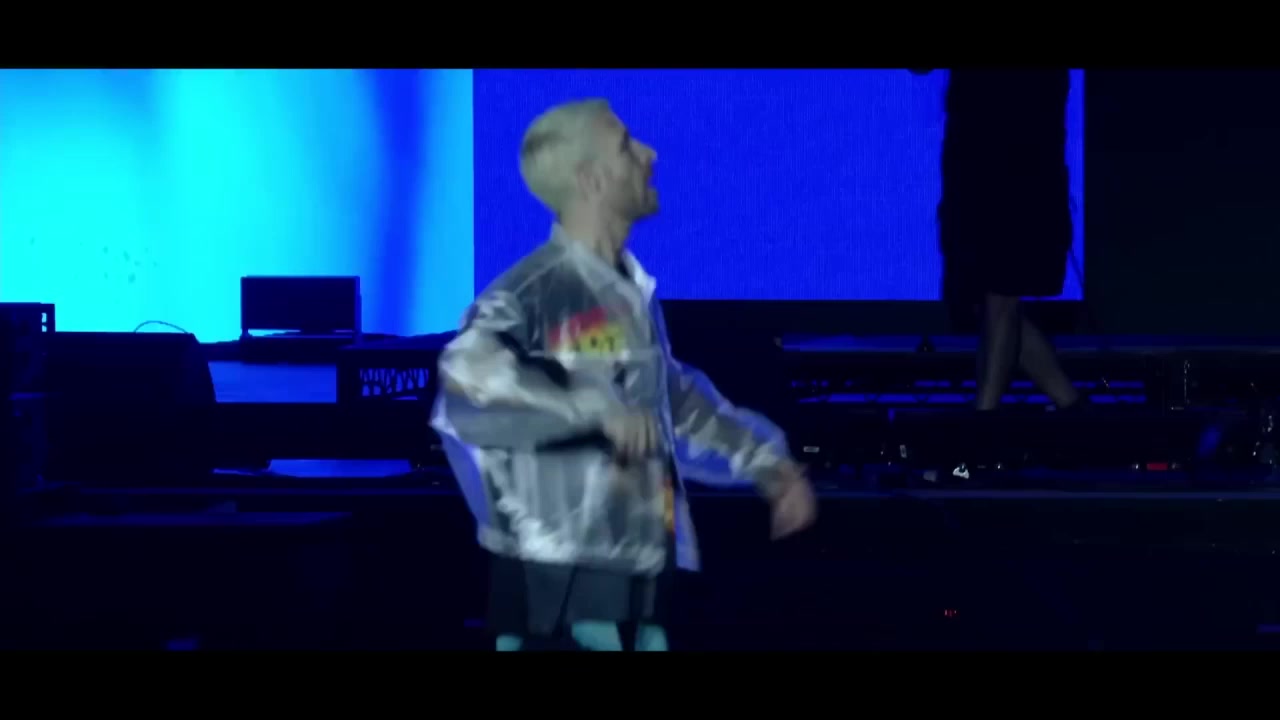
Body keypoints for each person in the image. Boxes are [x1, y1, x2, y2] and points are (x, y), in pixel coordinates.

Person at [431, 99, 817, 651]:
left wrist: (765, 463)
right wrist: (589, 406)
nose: (649, 154)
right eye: (626, 146)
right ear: (591, 181)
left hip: (638, 581)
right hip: (557, 589)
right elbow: (468, 374)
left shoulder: (630, 294)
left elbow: (669, 400)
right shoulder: (535, 291)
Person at [912, 69, 1082, 411]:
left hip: (1019, 169)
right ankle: (1072, 404)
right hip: (974, 169)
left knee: (1000, 296)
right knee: (981, 301)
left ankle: (983, 420)